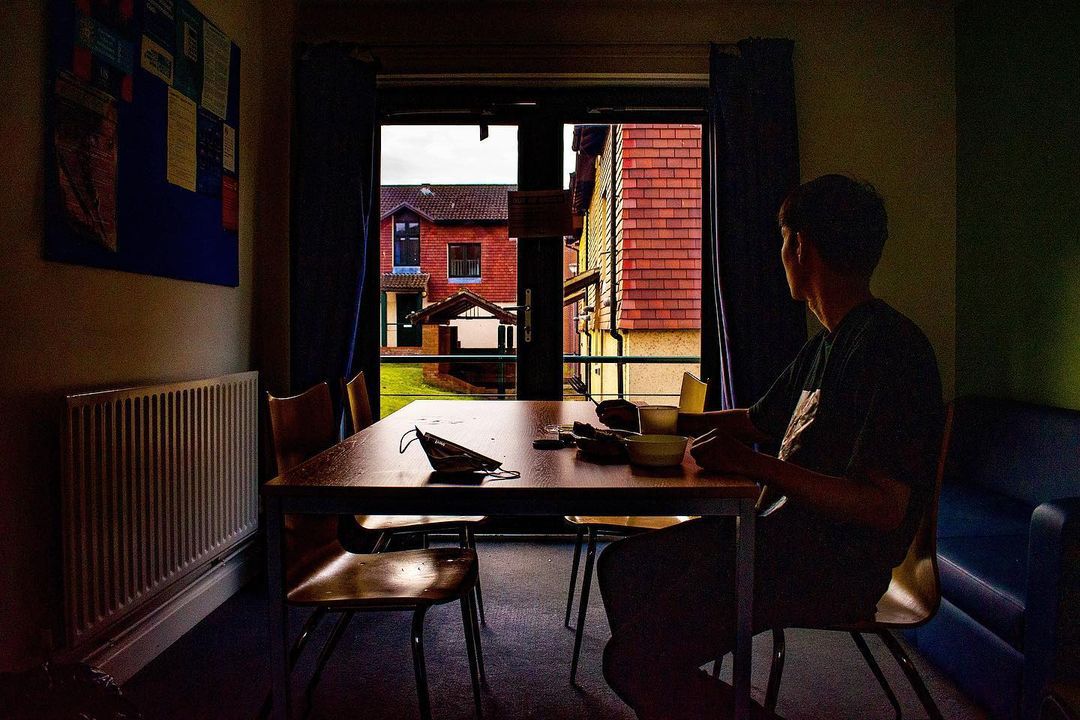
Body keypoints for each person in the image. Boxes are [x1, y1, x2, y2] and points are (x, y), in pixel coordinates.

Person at [596, 174, 944, 720]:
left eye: (783, 242)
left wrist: (756, 467)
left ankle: (667, 679)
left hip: (834, 565)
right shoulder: (828, 344)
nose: (781, 255)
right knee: (623, 567)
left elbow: (883, 507)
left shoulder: (891, 350)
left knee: (630, 662)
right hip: (783, 541)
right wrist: (662, 421)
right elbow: (758, 419)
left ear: (801, 246)